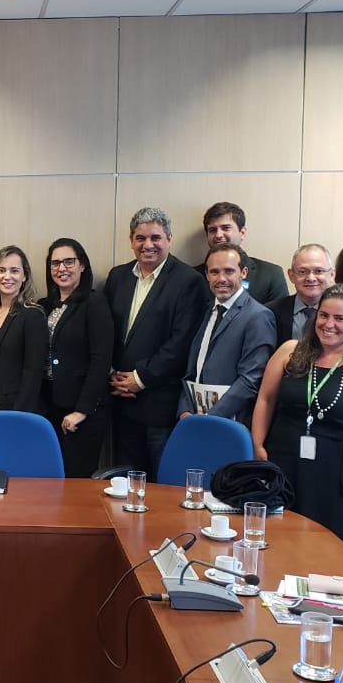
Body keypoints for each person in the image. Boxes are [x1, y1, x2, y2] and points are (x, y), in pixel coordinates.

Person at [251, 284, 343, 551]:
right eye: (323, 315)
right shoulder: (290, 351)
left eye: (339, 318)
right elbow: (265, 399)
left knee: (323, 546)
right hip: (283, 458)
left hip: (333, 469)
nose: (328, 324)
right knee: (277, 539)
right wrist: (257, 444)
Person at [104, 207, 207, 478]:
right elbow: (107, 331)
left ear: (169, 239)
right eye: (140, 238)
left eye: (155, 237)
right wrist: (112, 373)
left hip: (159, 404)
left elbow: (182, 341)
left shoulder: (189, 281)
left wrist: (140, 378)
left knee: (161, 482)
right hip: (120, 400)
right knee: (125, 481)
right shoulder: (118, 277)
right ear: (131, 240)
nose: (147, 245)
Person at [178, 245, 275, 424]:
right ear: (207, 275)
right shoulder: (204, 311)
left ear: (243, 272)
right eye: (214, 272)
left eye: (229, 271)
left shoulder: (258, 316)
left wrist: (211, 417)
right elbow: (191, 369)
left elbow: (251, 379)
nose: (221, 278)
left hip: (231, 422)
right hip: (195, 418)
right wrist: (184, 409)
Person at [41, 239, 112, 477]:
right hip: (51, 405)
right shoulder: (46, 306)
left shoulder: (95, 303)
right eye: (55, 263)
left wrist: (82, 410)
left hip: (82, 410)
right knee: (50, 477)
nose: (62, 268)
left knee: (76, 480)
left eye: (69, 262)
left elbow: (101, 360)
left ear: (82, 265)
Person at [0, 245, 46, 413]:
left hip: (14, 407)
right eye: (1, 270)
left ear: (25, 276)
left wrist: (18, 412)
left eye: (15, 271)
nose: (7, 276)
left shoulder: (33, 315)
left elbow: (33, 372)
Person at [191, 202, 288, 304]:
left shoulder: (271, 274)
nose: (218, 235)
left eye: (226, 228)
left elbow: (279, 313)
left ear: (242, 233)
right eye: (212, 230)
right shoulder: (193, 276)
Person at [267, 244, 335, 347]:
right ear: (291, 275)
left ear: (332, 274)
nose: (311, 278)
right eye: (302, 272)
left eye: (318, 271)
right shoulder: (270, 312)